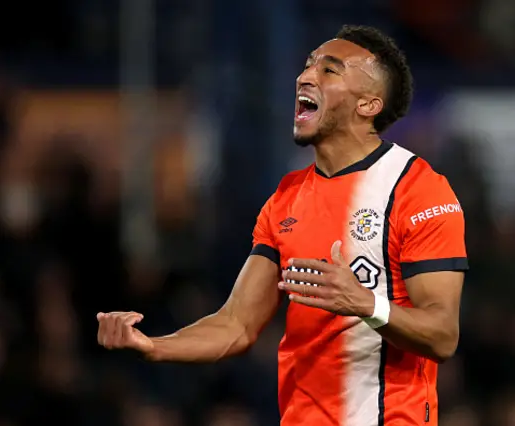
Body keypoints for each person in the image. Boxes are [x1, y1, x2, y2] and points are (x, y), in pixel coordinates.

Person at [97, 25, 468, 426]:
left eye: (330, 70)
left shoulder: (418, 190)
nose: (305, 76)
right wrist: (153, 345)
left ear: (368, 104)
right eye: (308, 65)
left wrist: (366, 303)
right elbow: (236, 324)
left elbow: (442, 335)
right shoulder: (286, 199)